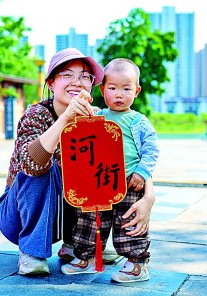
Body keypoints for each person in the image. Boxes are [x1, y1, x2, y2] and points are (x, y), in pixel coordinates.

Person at [0, 48, 156, 277]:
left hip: (62, 219)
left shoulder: (97, 117)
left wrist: (149, 195)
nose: (77, 82)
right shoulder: (36, 114)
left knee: (96, 172)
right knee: (47, 169)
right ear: (51, 83)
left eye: (84, 76)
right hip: (19, 217)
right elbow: (31, 165)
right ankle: (31, 252)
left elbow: (130, 154)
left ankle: (81, 246)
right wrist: (65, 118)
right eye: (67, 75)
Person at [60, 58, 159, 283]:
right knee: (88, 220)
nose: (119, 94)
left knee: (129, 222)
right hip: (98, 180)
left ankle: (136, 263)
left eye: (126, 89)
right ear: (102, 89)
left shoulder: (139, 121)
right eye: (112, 88)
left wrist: (142, 173)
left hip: (128, 182)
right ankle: (85, 257)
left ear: (137, 91)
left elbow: (151, 150)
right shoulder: (97, 116)